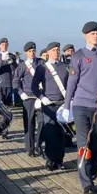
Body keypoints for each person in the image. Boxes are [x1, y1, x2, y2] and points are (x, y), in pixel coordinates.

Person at [62, 21, 97, 194]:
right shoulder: (78, 56)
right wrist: (66, 105)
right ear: (86, 35)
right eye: (93, 34)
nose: (96, 36)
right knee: (83, 144)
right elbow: (72, 82)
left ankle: (91, 176)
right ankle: (86, 182)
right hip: (80, 105)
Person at [32, 42, 69, 171]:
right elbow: (34, 86)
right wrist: (42, 98)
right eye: (54, 50)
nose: (56, 52)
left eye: (58, 50)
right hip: (48, 104)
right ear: (48, 52)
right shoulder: (42, 68)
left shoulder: (65, 67)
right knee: (49, 132)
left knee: (61, 133)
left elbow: (70, 85)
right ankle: (50, 160)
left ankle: (60, 160)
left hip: (62, 104)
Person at [13, 41, 45, 157]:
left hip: (40, 97)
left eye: (33, 51)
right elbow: (16, 81)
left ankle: (40, 145)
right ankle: (30, 148)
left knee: (42, 123)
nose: (32, 53)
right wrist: (21, 93)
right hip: (28, 98)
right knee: (29, 123)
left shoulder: (41, 63)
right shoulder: (22, 65)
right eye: (30, 51)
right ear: (26, 52)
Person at [0, 37, 18, 139]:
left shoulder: (10, 55)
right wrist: (3, 61)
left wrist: (12, 61)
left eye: (6, 44)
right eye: (3, 44)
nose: (4, 46)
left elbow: (16, 68)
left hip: (9, 84)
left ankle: (5, 130)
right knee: (0, 107)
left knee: (8, 108)